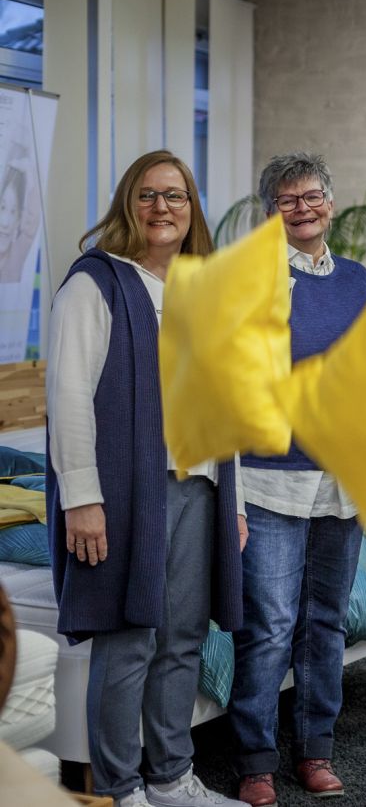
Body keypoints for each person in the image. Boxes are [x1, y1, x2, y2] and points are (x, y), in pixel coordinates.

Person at [46, 150, 247, 807]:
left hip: (199, 488)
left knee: (182, 638)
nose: (162, 207)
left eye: (176, 196)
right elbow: (68, 396)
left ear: (192, 210)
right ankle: (119, 789)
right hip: (127, 495)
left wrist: (235, 504)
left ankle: (171, 779)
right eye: (148, 195)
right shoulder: (94, 283)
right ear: (128, 205)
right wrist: (82, 499)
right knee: (129, 639)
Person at [228, 154, 366, 807]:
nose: (303, 208)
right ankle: (255, 761)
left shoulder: (356, 280)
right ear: (270, 214)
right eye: (288, 200)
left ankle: (316, 750)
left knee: (326, 624)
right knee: (269, 627)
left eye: (312, 196)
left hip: (340, 483)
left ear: (330, 205)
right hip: (269, 483)